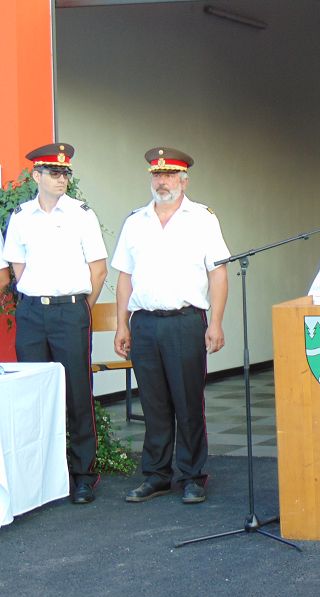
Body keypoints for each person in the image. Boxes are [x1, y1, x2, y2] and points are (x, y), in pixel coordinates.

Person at [112, 147, 229, 504]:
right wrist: (122, 325)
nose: (162, 182)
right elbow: (124, 277)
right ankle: (157, 474)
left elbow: (218, 273)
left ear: (183, 180)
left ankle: (193, 475)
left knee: (188, 402)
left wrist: (217, 323)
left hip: (185, 322)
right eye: (156, 175)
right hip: (145, 323)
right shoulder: (135, 221)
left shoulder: (203, 219)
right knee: (154, 403)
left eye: (169, 175)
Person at [2, 143, 108, 504]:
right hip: (32, 313)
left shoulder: (81, 214)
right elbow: (17, 269)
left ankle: (82, 476)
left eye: (65, 172)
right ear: (36, 176)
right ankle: (38, 479)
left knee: (77, 392)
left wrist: (79, 307)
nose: (62, 178)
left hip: (69, 311)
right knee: (33, 394)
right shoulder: (20, 216)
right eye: (54, 172)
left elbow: (98, 269)